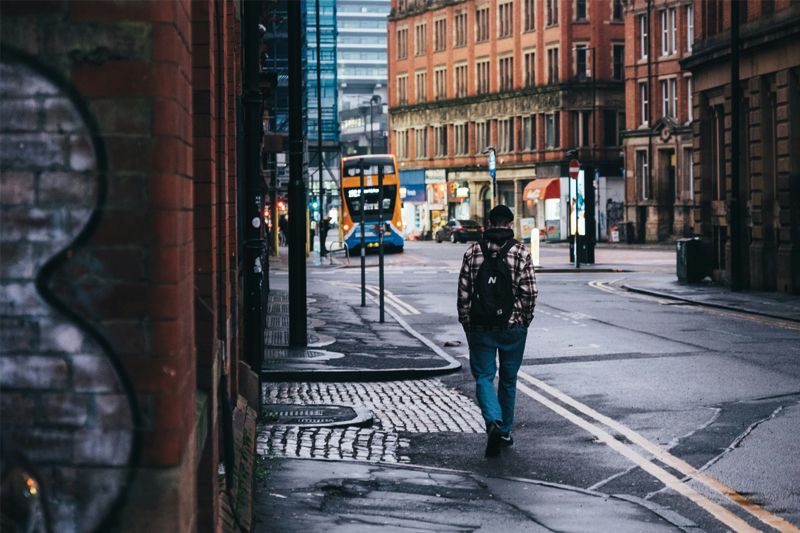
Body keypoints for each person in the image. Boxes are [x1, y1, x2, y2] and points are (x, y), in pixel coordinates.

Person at [457, 204, 538, 457]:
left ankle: (492, 421)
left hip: (480, 326)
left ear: (489, 223)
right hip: (512, 327)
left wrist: (467, 323)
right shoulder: (521, 252)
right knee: (508, 379)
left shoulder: (472, 252)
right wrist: (524, 319)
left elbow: (464, 292)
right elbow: (530, 292)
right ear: (510, 224)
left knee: (483, 376)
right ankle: (504, 431)